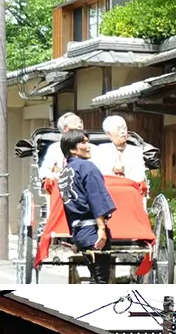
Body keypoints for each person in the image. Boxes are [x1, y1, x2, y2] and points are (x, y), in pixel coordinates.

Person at [57, 130, 117, 283]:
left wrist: (73, 238)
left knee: (96, 277)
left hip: (79, 233)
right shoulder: (86, 167)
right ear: (72, 149)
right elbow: (96, 199)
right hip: (92, 232)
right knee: (100, 280)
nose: (88, 146)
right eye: (83, 142)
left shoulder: (65, 172)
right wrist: (101, 229)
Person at [92, 115, 148, 186]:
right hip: (109, 190)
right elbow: (99, 174)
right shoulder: (101, 150)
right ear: (109, 134)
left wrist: (124, 170)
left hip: (130, 189)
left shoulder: (136, 151)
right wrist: (113, 169)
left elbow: (140, 176)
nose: (123, 131)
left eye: (124, 128)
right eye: (118, 129)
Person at [39, 112, 84, 182]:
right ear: (65, 129)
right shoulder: (55, 148)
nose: (80, 125)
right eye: (75, 123)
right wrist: (51, 176)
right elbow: (45, 169)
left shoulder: (92, 148)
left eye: (81, 122)